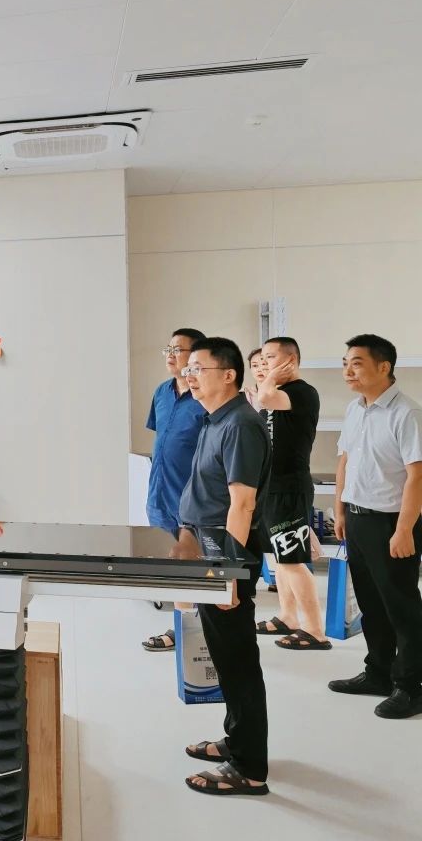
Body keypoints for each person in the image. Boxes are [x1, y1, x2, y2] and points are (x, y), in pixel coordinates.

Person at [178, 337, 270, 797]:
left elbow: (243, 503)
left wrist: (228, 574)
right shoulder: (216, 420)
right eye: (188, 369)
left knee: (237, 660)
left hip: (226, 556)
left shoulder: (241, 425)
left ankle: (250, 768)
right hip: (209, 550)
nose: (189, 376)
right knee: (225, 657)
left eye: (199, 368)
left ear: (229, 374)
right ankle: (237, 740)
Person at [329, 334, 422, 719]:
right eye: (345, 363)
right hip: (357, 519)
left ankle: (411, 687)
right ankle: (378, 673)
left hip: (391, 523)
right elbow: (344, 461)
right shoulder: (355, 409)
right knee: (370, 603)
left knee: (401, 607)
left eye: (357, 363)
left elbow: (417, 475)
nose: (348, 371)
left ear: (384, 367)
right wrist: (340, 512)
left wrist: (404, 529)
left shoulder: (407, 413)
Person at [254, 337, 328, 650]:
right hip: (271, 488)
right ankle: (287, 616)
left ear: (291, 361)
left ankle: (315, 631)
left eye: (270, 358)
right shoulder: (275, 393)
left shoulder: (302, 392)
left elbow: (265, 397)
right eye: (260, 360)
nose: (264, 365)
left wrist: (269, 378)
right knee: (280, 559)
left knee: (293, 560)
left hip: (290, 487)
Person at [141, 327, 207, 652]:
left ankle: (187, 632)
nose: (170, 355)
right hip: (160, 493)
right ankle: (187, 628)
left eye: (177, 349)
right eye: (167, 349)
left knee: (191, 567)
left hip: (192, 498)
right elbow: (162, 439)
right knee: (179, 568)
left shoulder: (206, 399)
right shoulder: (161, 392)